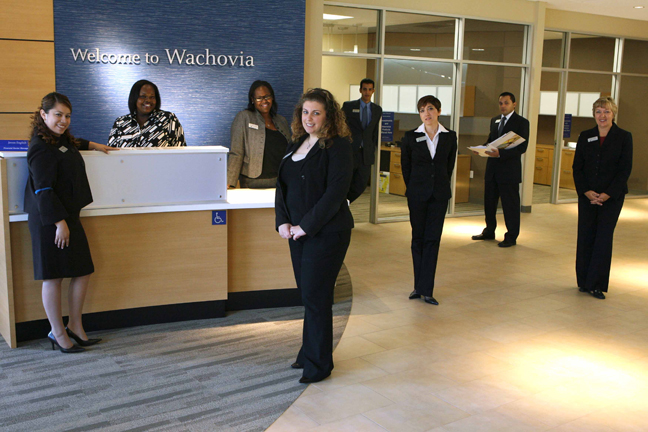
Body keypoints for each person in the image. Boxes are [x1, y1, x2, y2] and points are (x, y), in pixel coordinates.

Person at [25, 92, 115, 353]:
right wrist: (59, 223)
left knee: (82, 270)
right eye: (57, 115)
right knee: (53, 277)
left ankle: (75, 325)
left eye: (67, 116)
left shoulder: (61, 139)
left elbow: (73, 143)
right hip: (50, 220)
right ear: (43, 115)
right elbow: (43, 189)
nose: (63, 120)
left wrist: (96, 145)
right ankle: (57, 331)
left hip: (68, 215)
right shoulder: (39, 146)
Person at [275, 88, 353, 383]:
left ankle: (319, 365)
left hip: (327, 233)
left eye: (316, 113)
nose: (309, 118)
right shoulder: (296, 142)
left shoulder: (339, 147)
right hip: (297, 234)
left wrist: (304, 225)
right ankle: (309, 351)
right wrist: (282, 221)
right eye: (305, 112)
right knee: (309, 296)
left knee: (317, 297)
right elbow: (282, 187)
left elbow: (335, 195)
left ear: (328, 116)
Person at [573, 97, 632, 300]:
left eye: (606, 111)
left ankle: (596, 284)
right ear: (594, 114)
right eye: (598, 111)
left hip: (612, 198)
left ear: (613, 114)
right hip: (587, 196)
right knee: (586, 236)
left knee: (603, 239)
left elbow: (625, 170)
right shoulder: (585, 136)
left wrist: (608, 194)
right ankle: (583, 281)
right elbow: (577, 168)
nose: (602, 115)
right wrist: (586, 191)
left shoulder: (624, 137)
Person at [401, 96, 457, 306]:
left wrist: (438, 185)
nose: (427, 113)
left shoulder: (449, 136)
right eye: (422, 110)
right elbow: (406, 168)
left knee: (432, 240)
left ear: (439, 111)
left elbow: (448, 167)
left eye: (431, 109)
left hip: (439, 196)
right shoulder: (410, 137)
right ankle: (419, 286)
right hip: (417, 195)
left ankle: (427, 289)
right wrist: (415, 187)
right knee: (418, 240)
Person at [472, 92, 529, 247]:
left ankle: (511, 237)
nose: (503, 106)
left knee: (510, 206)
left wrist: (501, 153)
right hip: (492, 169)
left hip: (509, 171)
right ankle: (489, 231)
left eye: (506, 103)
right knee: (489, 203)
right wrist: (482, 148)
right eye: (501, 103)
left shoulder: (522, 122)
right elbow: (492, 140)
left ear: (514, 104)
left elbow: (522, 147)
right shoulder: (495, 120)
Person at [227, 80, 291, 188]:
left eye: (267, 96)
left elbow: (290, 151)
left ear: (272, 97)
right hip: (253, 183)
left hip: (280, 182)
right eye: (259, 98)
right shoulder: (244, 117)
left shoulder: (281, 121)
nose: (264, 101)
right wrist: (229, 182)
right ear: (252, 100)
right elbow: (237, 152)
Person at [107, 79, 186, 147]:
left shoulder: (168, 119)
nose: (148, 100)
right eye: (143, 96)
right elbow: (111, 154)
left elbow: (181, 152)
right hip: (126, 165)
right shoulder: (121, 122)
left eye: (152, 97)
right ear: (134, 98)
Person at [342, 78, 383, 202]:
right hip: (350, 150)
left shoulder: (377, 110)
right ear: (360, 90)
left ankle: (346, 202)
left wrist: (373, 146)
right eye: (364, 89)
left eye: (370, 89)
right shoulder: (349, 106)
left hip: (366, 153)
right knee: (345, 180)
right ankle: (340, 203)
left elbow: (374, 131)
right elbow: (341, 125)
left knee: (361, 184)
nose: (367, 92)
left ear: (373, 91)